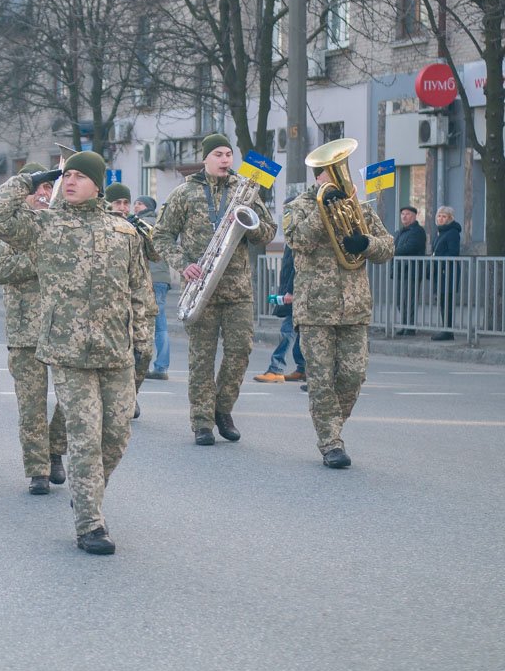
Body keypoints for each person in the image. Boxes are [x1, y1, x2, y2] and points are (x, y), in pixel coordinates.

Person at [0, 152, 150, 555]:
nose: (69, 181)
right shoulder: (45, 226)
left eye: (79, 176)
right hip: (68, 351)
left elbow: (139, 289)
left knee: (117, 435)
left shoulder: (123, 232)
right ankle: (91, 522)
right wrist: (30, 181)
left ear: (98, 184)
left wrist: (142, 338)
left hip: (116, 351)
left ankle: (86, 491)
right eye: (66, 176)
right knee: (85, 436)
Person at [152, 133, 276, 446]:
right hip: (200, 287)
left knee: (240, 352)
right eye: (218, 154)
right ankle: (202, 422)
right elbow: (161, 236)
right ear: (206, 158)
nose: (225, 160)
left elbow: (268, 230)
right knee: (201, 360)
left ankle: (223, 409)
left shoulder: (245, 190)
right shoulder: (185, 192)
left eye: (228, 154)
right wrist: (183, 264)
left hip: (238, 290)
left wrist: (250, 223)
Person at [284, 163, 393, 468]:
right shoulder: (298, 206)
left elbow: (388, 247)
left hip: (354, 307)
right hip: (315, 308)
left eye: (339, 172)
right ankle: (330, 442)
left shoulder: (359, 206)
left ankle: (332, 425)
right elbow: (298, 241)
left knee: (353, 375)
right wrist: (323, 211)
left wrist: (366, 244)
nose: (336, 178)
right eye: (329, 173)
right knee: (320, 379)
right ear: (318, 176)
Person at [0, 163, 67, 494]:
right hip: (25, 332)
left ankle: (56, 450)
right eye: (38, 190)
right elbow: (1, 269)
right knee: (31, 405)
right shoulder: (9, 229)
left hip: (63, 328)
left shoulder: (61, 222)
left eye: (48, 190)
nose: (44, 195)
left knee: (69, 401)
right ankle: (37, 470)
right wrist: (43, 257)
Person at [106, 182, 158, 418]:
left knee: (144, 353)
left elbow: (157, 255)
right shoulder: (104, 227)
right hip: (116, 305)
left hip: (143, 303)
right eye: (117, 202)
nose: (123, 207)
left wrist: (146, 234)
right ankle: (117, 399)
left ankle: (131, 396)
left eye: (126, 203)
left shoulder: (137, 227)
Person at [254, 245, 306, 383]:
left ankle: (276, 368)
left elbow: (299, 264)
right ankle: (303, 368)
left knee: (288, 331)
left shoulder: (299, 235)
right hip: (297, 292)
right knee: (299, 331)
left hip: (299, 292)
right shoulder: (292, 238)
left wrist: (291, 290)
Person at [134, 196, 171, 381]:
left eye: (138, 204)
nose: (135, 206)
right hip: (163, 277)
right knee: (161, 324)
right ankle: (162, 366)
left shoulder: (138, 224)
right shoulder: (161, 223)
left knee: (148, 321)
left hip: (149, 277)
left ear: (146, 207)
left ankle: (144, 365)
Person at [393, 205, 426, 336]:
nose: (404, 216)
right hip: (400, 270)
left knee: (410, 300)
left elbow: (410, 247)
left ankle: (410, 327)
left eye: (407, 214)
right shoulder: (400, 232)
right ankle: (405, 324)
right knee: (400, 300)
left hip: (412, 270)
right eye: (402, 214)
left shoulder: (417, 231)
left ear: (414, 216)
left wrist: (392, 252)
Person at [430, 206, 461, 341]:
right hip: (440, 271)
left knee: (446, 301)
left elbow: (453, 252)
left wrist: (439, 260)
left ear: (450, 219)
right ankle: (446, 329)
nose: (440, 218)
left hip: (448, 271)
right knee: (442, 301)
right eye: (439, 216)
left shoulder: (452, 232)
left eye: (444, 216)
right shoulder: (440, 232)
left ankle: (448, 331)